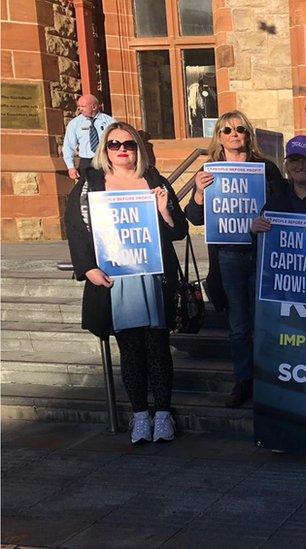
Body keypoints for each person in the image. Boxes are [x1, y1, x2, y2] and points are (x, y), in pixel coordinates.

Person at [64, 122, 188, 444]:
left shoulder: (154, 180)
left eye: (129, 144)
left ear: (138, 149)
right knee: (131, 349)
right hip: (115, 280)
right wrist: (87, 267)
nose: (122, 150)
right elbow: (75, 226)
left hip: (153, 275)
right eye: (114, 144)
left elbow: (179, 232)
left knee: (158, 347)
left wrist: (164, 211)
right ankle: (140, 416)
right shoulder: (92, 183)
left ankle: (163, 415)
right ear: (105, 149)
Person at [185, 110, 287, 407]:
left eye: (240, 129)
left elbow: (282, 206)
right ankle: (243, 380)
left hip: (261, 252)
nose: (234, 134)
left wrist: (263, 219)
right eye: (227, 130)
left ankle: (267, 380)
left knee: (263, 322)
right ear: (219, 136)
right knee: (238, 324)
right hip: (228, 256)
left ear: (248, 134)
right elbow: (193, 217)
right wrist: (199, 194)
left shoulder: (265, 168)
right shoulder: (210, 170)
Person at [62, 94, 116, 182]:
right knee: (86, 193)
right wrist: (71, 167)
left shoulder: (109, 122)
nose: (80, 109)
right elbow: (68, 146)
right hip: (86, 163)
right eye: (79, 106)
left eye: (83, 106)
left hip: (106, 161)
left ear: (94, 107)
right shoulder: (75, 123)